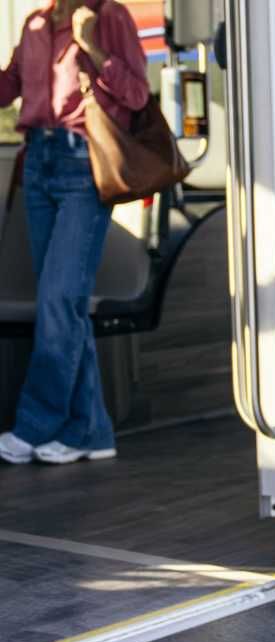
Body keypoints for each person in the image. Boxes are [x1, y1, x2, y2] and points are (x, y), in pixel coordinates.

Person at [0, 0, 149, 466]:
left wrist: (92, 47)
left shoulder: (109, 17)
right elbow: (8, 89)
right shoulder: (36, 23)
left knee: (59, 299)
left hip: (85, 168)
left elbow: (138, 95)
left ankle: (36, 423)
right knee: (65, 305)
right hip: (39, 167)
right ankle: (91, 431)